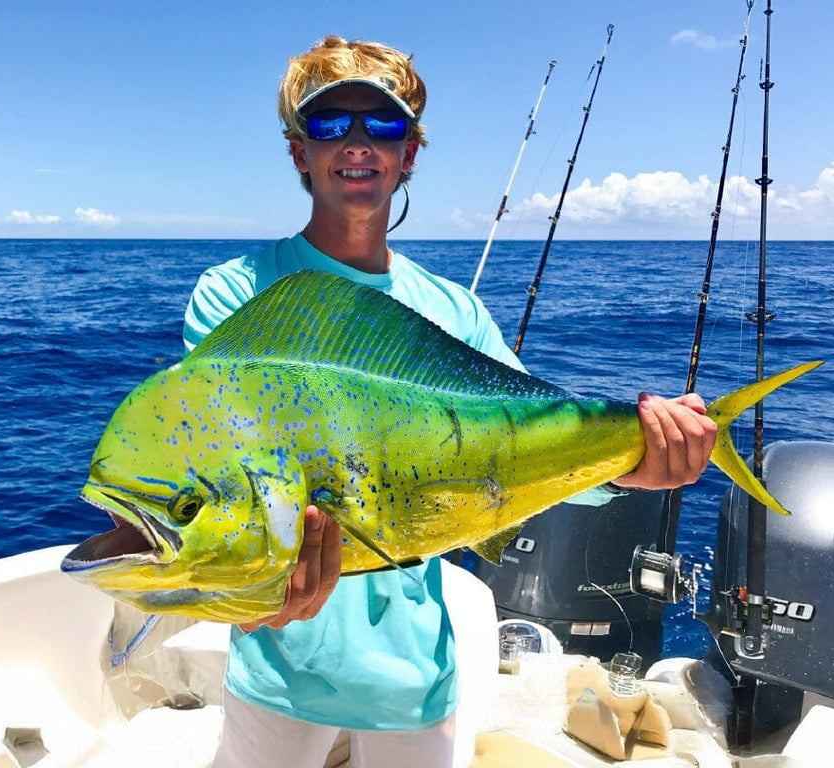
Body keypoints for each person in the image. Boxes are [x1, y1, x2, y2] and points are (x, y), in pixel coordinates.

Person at [182, 35, 718, 768]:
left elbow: (534, 440)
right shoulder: (235, 294)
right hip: (276, 666)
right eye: (331, 124)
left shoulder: (456, 314)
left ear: (410, 153)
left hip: (410, 679)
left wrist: (631, 467)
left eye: (386, 125)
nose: (359, 142)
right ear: (299, 151)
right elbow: (212, 466)